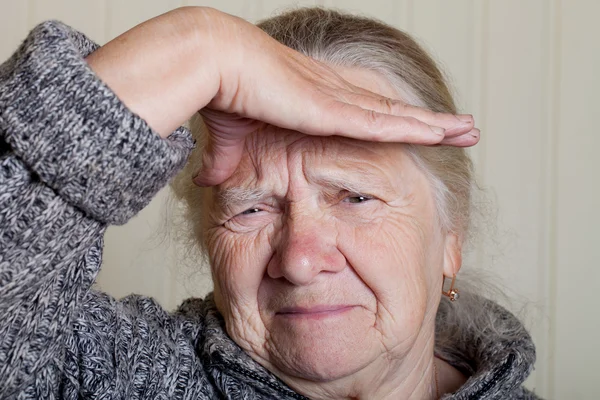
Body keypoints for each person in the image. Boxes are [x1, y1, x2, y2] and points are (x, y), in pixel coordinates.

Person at [0, 5, 539, 400]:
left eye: (354, 196)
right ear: (207, 239)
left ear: (451, 237)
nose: (299, 261)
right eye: (251, 208)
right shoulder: (110, 374)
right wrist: (198, 45)